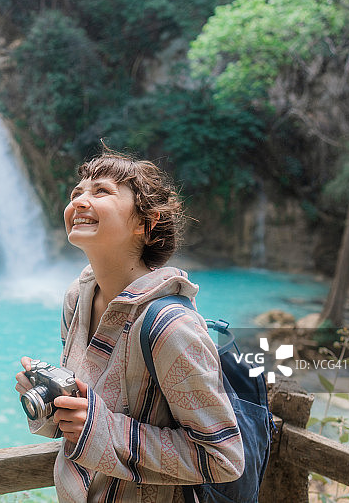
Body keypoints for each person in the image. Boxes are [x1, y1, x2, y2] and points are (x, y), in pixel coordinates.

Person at [15, 149, 244, 503]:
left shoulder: (171, 326)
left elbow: (224, 458)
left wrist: (98, 429)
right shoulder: (77, 299)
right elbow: (86, 415)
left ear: (145, 223)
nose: (80, 201)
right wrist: (52, 401)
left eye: (101, 191)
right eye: (77, 192)